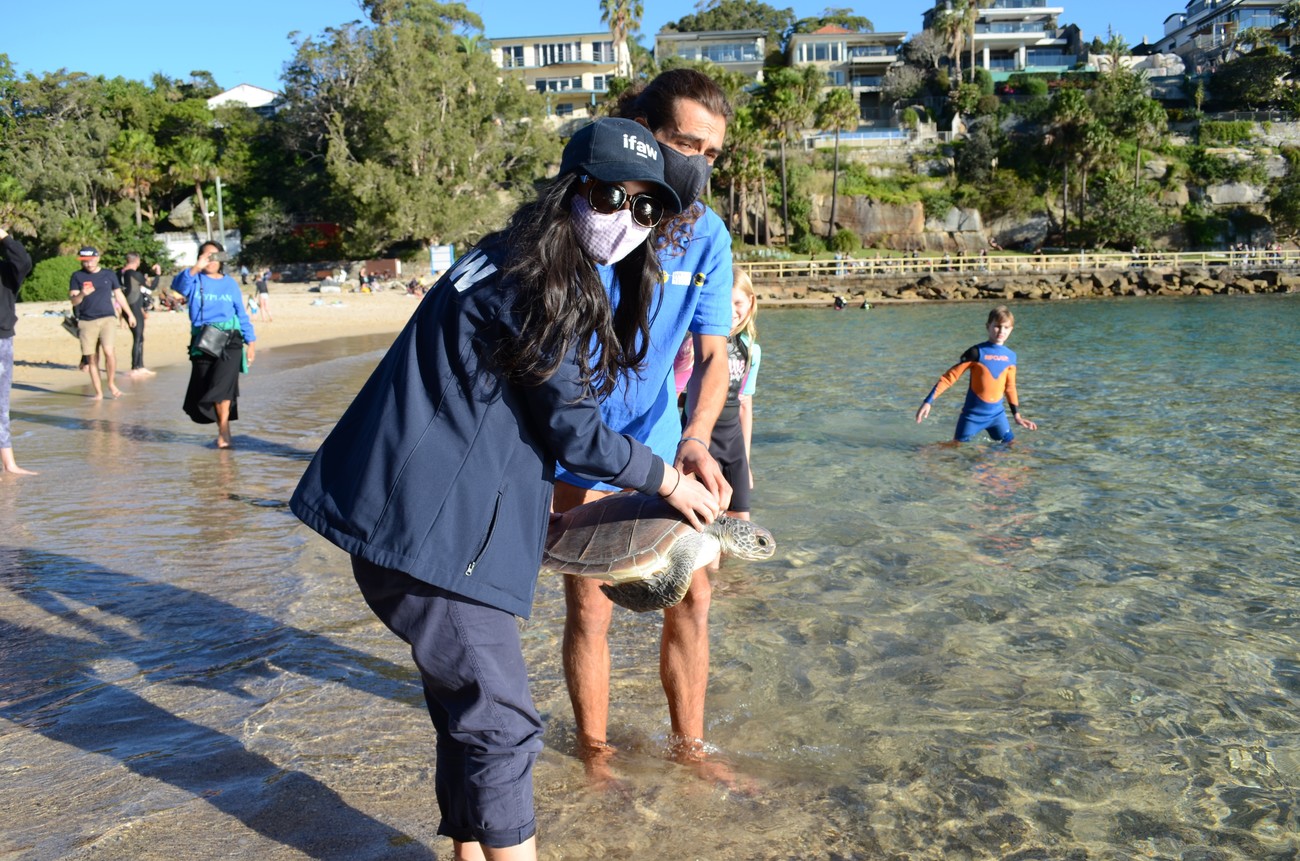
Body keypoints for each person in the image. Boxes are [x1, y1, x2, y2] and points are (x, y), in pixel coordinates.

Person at [290, 118, 717, 861]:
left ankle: (466, 849)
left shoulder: (502, 256)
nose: (627, 220)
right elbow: (576, 433)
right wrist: (670, 480)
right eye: (611, 196)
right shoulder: (538, 286)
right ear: (570, 188)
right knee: (505, 721)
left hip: (407, 520)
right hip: (428, 537)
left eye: (646, 209)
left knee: (468, 714)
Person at [553, 68, 736, 782]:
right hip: (575, 439)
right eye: (683, 143)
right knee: (589, 600)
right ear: (641, 134)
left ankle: (691, 751)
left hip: (660, 433)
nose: (697, 163)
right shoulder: (598, 215)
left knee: (694, 591)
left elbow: (715, 354)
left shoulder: (710, 237)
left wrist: (696, 438)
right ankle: (595, 755)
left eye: (712, 153)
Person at [688, 266, 760, 521]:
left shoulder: (751, 350)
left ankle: (736, 565)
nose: (731, 311)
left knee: (742, 520)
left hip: (735, 447)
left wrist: (746, 462)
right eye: (723, 302)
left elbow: (744, 405)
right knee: (709, 520)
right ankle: (713, 564)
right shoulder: (694, 346)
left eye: (737, 302)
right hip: (704, 442)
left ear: (750, 303)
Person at [170, 240, 256, 448]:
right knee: (206, 386)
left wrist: (251, 341)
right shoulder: (194, 279)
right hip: (204, 340)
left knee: (222, 387)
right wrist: (196, 267)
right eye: (207, 256)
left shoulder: (230, 283)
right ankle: (223, 429)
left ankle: (224, 431)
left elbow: (241, 313)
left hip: (231, 340)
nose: (211, 260)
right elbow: (178, 287)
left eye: (215, 256)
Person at [915, 305, 1039, 443]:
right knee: (956, 450)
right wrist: (928, 401)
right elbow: (949, 378)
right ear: (988, 326)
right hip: (972, 417)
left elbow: (1010, 387)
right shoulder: (975, 352)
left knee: (1013, 447)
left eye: (1006, 327)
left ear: (1011, 329)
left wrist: (1017, 416)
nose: (1001, 331)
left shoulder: (1011, 356)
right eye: (997, 326)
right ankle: (927, 455)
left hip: (997, 416)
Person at [69, 246, 135, 399]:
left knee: (109, 352)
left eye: (91, 260)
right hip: (86, 320)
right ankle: (98, 392)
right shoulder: (77, 276)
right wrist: (82, 294)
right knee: (92, 357)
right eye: (85, 261)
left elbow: (119, 295)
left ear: (98, 258)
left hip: (107, 318)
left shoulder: (108, 274)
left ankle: (111, 383)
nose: (88, 264)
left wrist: (129, 315)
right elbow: (73, 301)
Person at [0, 226, 36, 474]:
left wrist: (3, 236)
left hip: (1, 340)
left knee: (1, 406)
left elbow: (23, 260)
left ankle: (9, 464)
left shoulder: (7, 271)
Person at [118, 253, 158, 377]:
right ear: (137, 261)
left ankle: (139, 365)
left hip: (126, 308)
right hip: (134, 308)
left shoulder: (120, 273)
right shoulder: (135, 274)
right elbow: (152, 287)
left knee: (138, 337)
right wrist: (157, 274)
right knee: (138, 337)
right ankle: (136, 367)